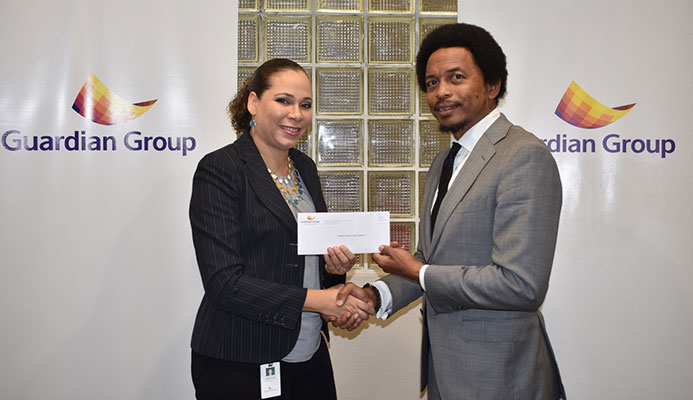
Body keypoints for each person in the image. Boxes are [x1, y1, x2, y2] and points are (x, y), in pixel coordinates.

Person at [336, 23, 567, 399]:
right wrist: (376, 295)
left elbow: (521, 285)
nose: (441, 92)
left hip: (501, 376)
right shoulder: (444, 160)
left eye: (455, 78)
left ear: (492, 86)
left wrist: (419, 271)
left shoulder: (524, 156)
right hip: (444, 374)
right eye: (430, 83)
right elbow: (431, 259)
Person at [189, 58, 372, 400]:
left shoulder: (305, 168)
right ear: (254, 103)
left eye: (305, 105)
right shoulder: (220, 169)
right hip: (239, 358)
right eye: (284, 100)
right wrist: (322, 300)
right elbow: (223, 284)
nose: (297, 114)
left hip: (309, 352)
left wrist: (334, 273)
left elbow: (307, 262)